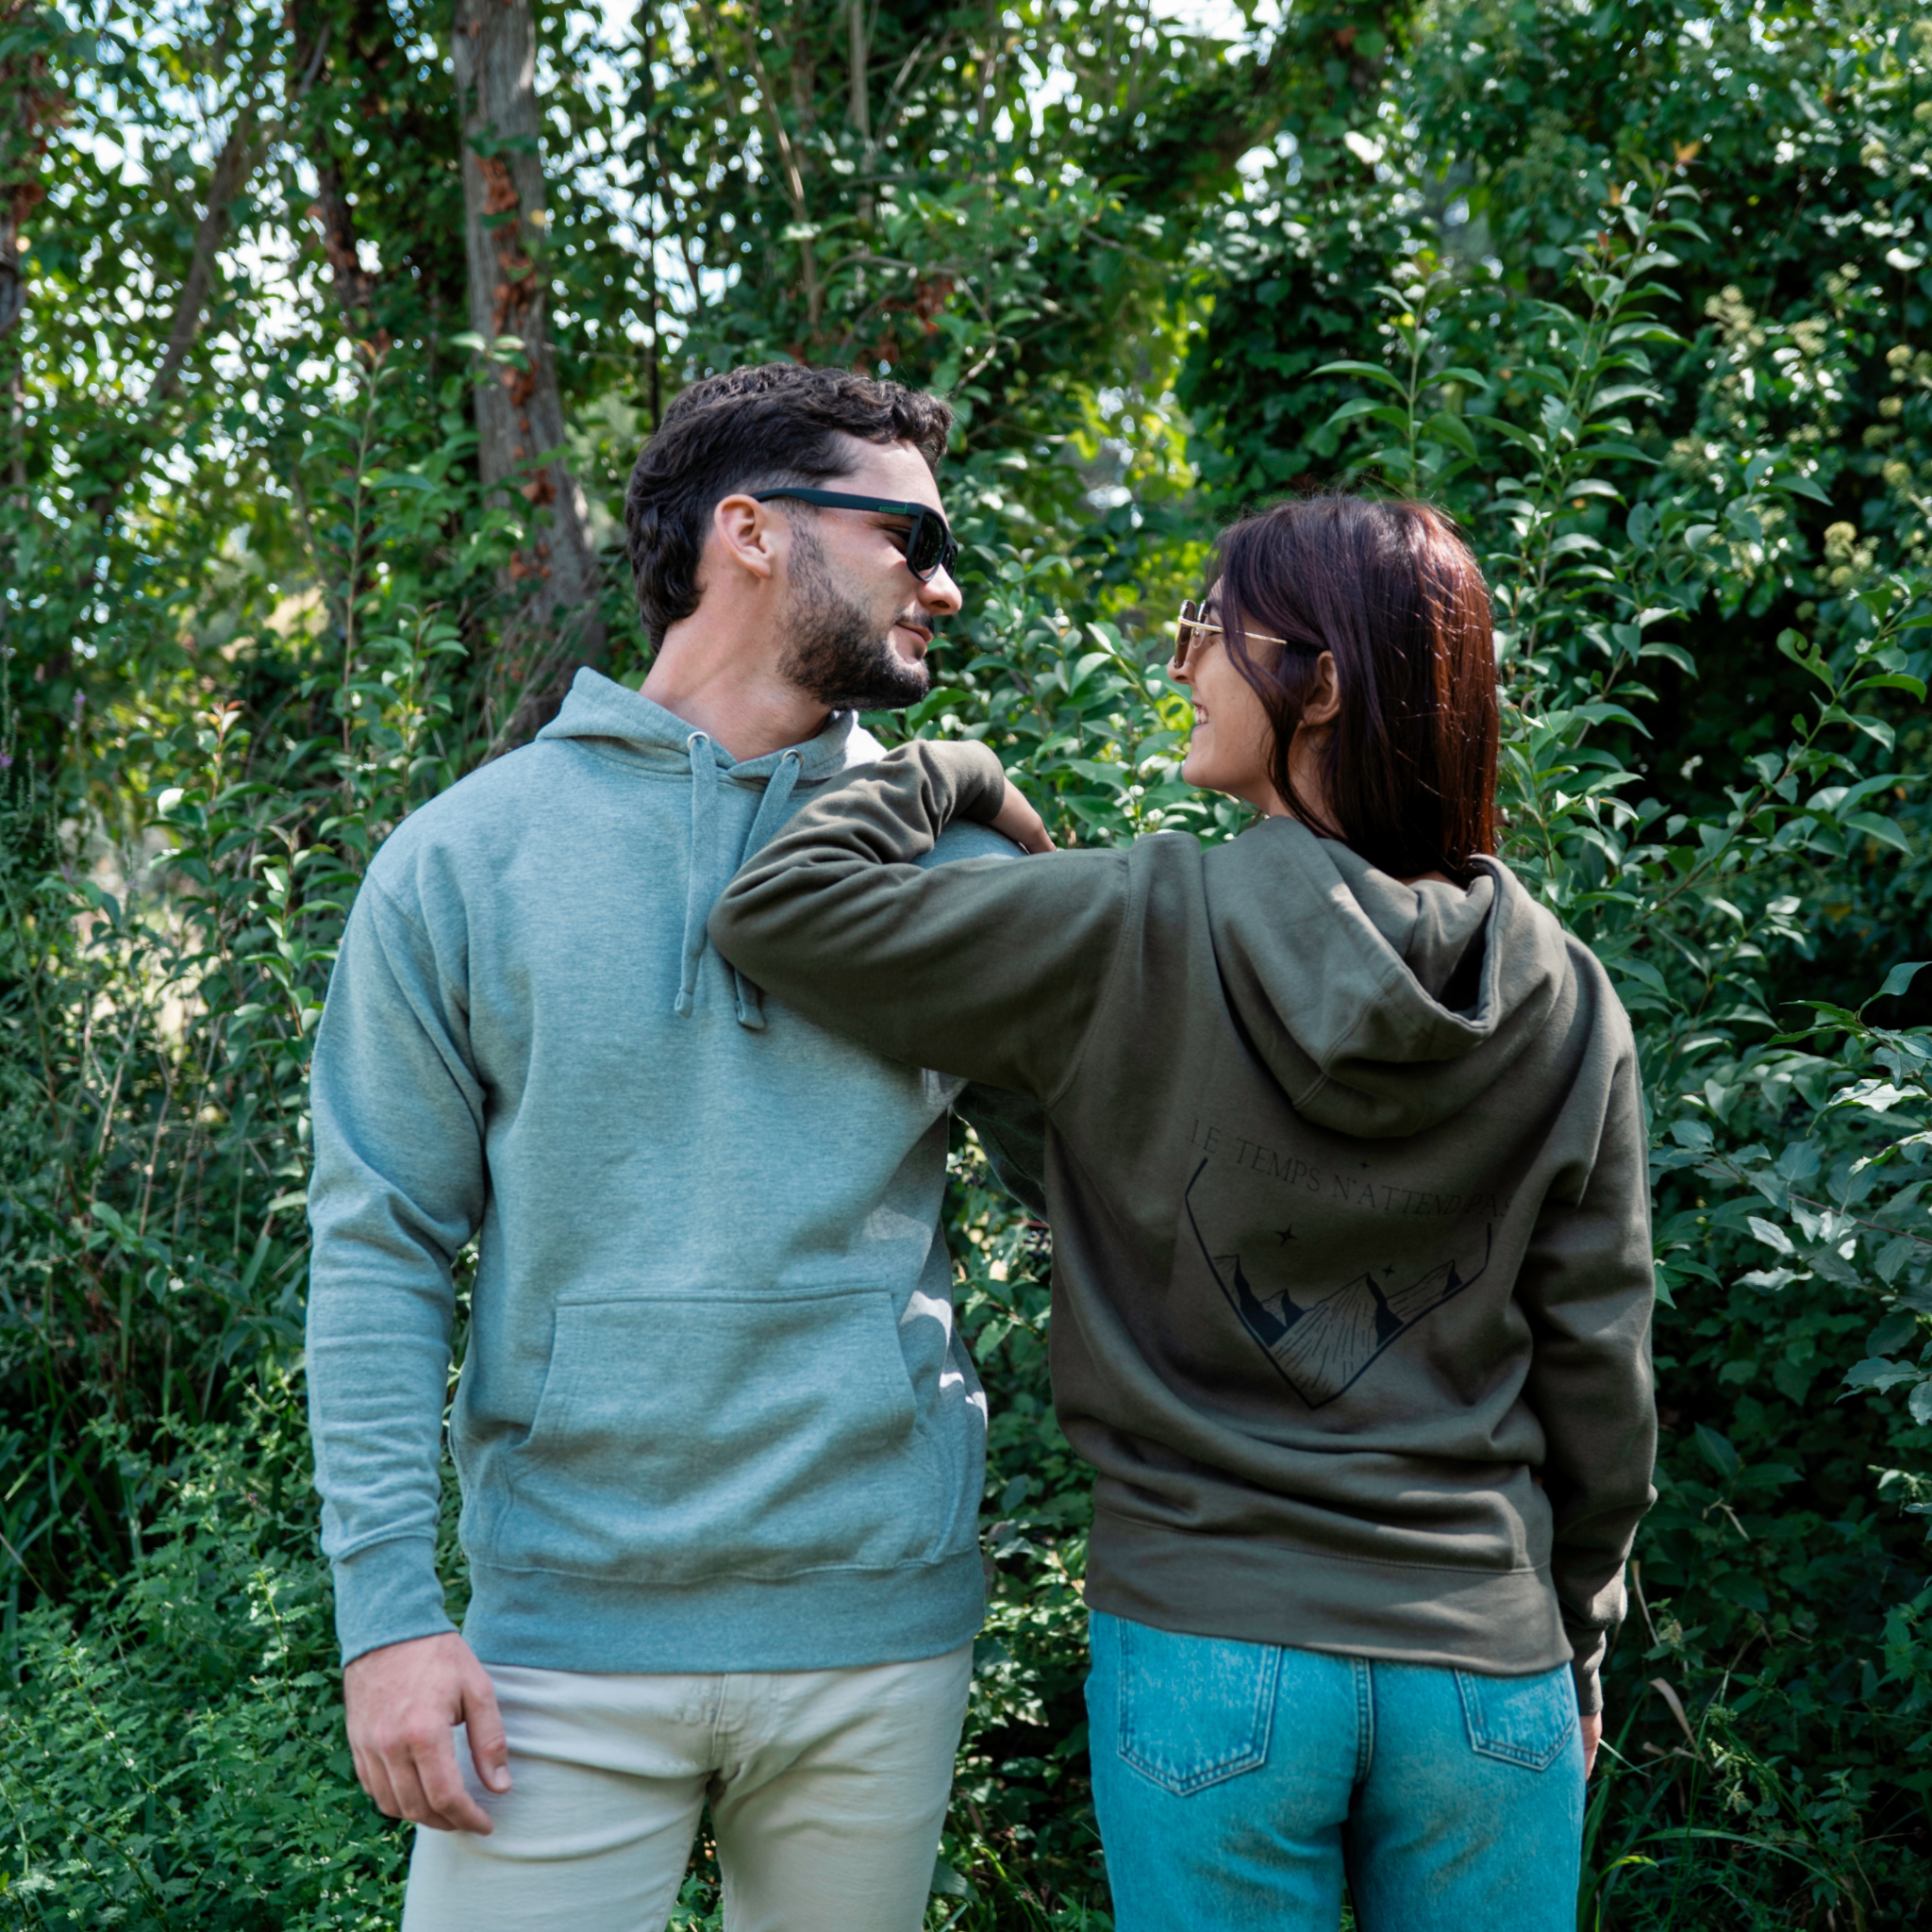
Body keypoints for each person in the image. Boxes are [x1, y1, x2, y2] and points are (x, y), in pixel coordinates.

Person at [708, 492, 1657, 1930]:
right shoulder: (1565, 997)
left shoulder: (1127, 925)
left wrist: (954, 773)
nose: (1180, 665)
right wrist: (1577, 1644)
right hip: (1485, 1665)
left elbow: (775, 914)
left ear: (1320, 683)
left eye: (1208, 630)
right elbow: (1598, 1368)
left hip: (1211, 1646)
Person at [306, 362, 1032, 1932]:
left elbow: (1107, 1186)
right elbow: (379, 1253)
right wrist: (386, 1623)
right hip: (554, 1652)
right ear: (753, 531)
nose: (946, 585)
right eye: (913, 535)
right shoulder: (465, 863)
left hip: (878, 1630)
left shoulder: (957, 860)